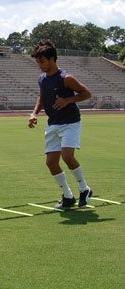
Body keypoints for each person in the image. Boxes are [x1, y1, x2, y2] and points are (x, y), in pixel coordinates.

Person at [28, 40, 92, 208]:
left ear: (52, 59)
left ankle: (84, 189)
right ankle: (68, 196)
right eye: (38, 62)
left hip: (71, 122)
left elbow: (87, 93)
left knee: (67, 156)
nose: (40, 65)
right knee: (51, 162)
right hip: (53, 123)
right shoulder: (41, 79)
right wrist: (34, 113)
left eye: (42, 61)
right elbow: (42, 98)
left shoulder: (66, 78)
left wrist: (68, 100)